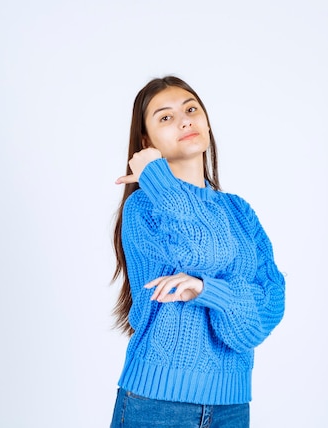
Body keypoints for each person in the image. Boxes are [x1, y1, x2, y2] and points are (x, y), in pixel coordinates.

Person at [110, 76, 285, 428]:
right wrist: (156, 180)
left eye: (191, 109)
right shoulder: (145, 205)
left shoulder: (238, 211)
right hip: (156, 403)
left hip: (231, 405)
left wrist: (209, 290)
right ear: (147, 143)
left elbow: (268, 308)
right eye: (165, 117)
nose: (185, 120)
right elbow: (204, 252)